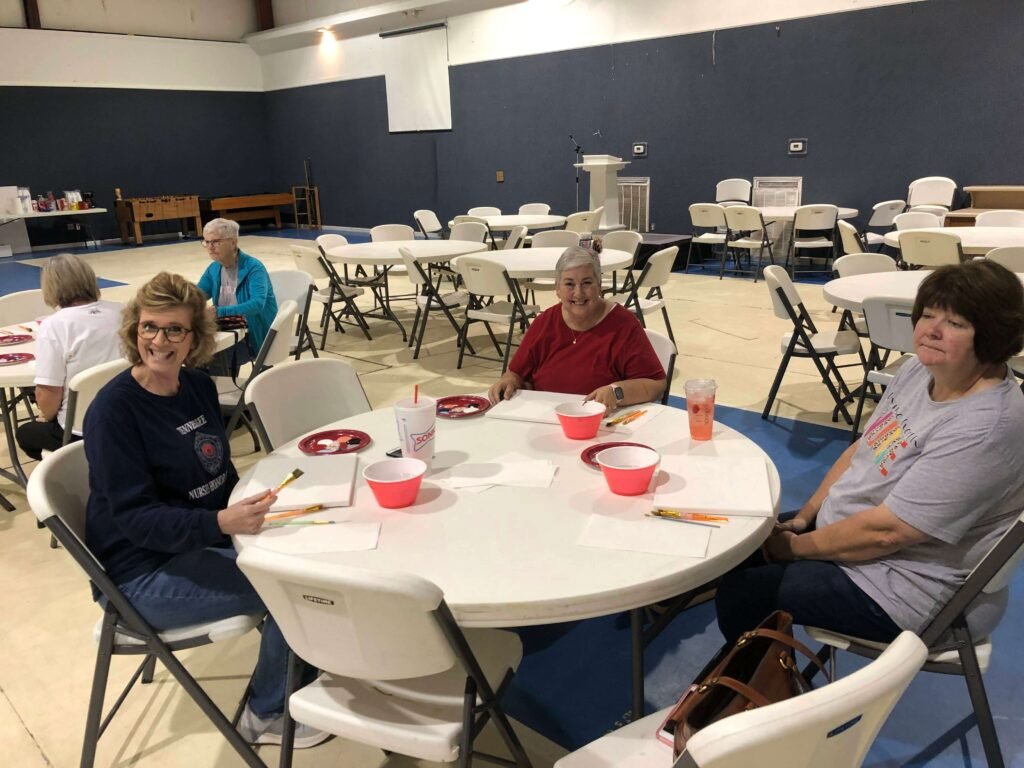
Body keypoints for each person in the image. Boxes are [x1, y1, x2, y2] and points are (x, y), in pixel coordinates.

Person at [715, 260, 1024, 644]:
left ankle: (762, 679)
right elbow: (865, 449)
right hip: (860, 538)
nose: (931, 330)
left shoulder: (986, 427)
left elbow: (888, 533)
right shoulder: (919, 372)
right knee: (743, 542)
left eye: (955, 323)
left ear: (993, 336)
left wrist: (793, 548)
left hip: (904, 584)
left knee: (744, 592)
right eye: (928, 315)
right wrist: (807, 515)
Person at [83, 272, 327, 748]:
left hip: (197, 541)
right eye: (150, 327)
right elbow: (135, 520)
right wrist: (220, 523)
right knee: (291, 590)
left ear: (195, 338)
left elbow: (216, 470)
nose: (160, 341)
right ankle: (265, 713)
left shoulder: (196, 386)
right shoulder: (113, 412)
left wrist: (245, 509)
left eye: (175, 329)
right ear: (134, 330)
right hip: (140, 573)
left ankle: (303, 674)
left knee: (310, 560)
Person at [487, 245, 666, 412]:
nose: (578, 293)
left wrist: (616, 392)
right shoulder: (544, 322)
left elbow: (656, 385)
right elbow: (515, 374)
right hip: (544, 415)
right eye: (569, 284)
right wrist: (508, 381)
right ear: (557, 289)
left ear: (599, 285)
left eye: (586, 283)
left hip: (600, 421)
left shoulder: (623, 325)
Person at [14, 253, 122, 460]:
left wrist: (45, 416)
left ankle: (74, 467)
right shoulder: (123, 311)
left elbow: (49, 393)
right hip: (129, 415)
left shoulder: (54, 326)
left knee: (26, 433)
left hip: (78, 431)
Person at [196, 217, 277, 358]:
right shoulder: (214, 268)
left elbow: (257, 304)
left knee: (205, 357)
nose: (210, 247)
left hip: (252, 335)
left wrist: (218, 312)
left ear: (233, 242)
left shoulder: (254, 268)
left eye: (216, 241)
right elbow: (196, 296)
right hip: (226, 330)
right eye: (207, 242)